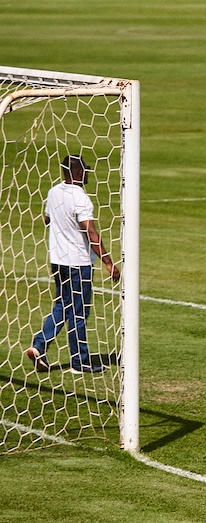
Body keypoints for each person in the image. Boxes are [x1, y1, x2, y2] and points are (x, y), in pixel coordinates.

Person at [25, 155, 119, 374]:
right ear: (77, 173)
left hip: (58, 261)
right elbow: (90, 231)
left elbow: (47, 219)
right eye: (85, 170)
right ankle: (80, 362)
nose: (87, 174)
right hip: (78, 263)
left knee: (63, 306)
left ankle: (39, 346)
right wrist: (108, 262)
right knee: (78, 311)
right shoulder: (81, 198)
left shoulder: (54, 192)